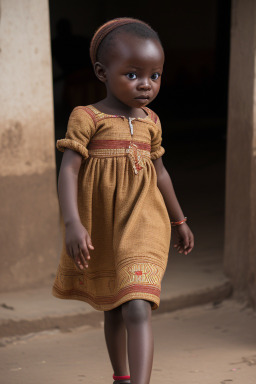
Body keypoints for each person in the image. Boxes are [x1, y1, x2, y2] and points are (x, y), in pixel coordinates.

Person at [52, 17, 194, 384]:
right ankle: (122, 377)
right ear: (102, 72)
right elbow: (68, 171)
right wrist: (72, 222)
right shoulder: (87, 118)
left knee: (136, 304)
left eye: (155, 75)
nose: (146, 85)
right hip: (103, 224)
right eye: (132, 75)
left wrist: (179, 221)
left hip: (146, 221)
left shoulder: (151, 121)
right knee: (114, 308)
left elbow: (160, 173)